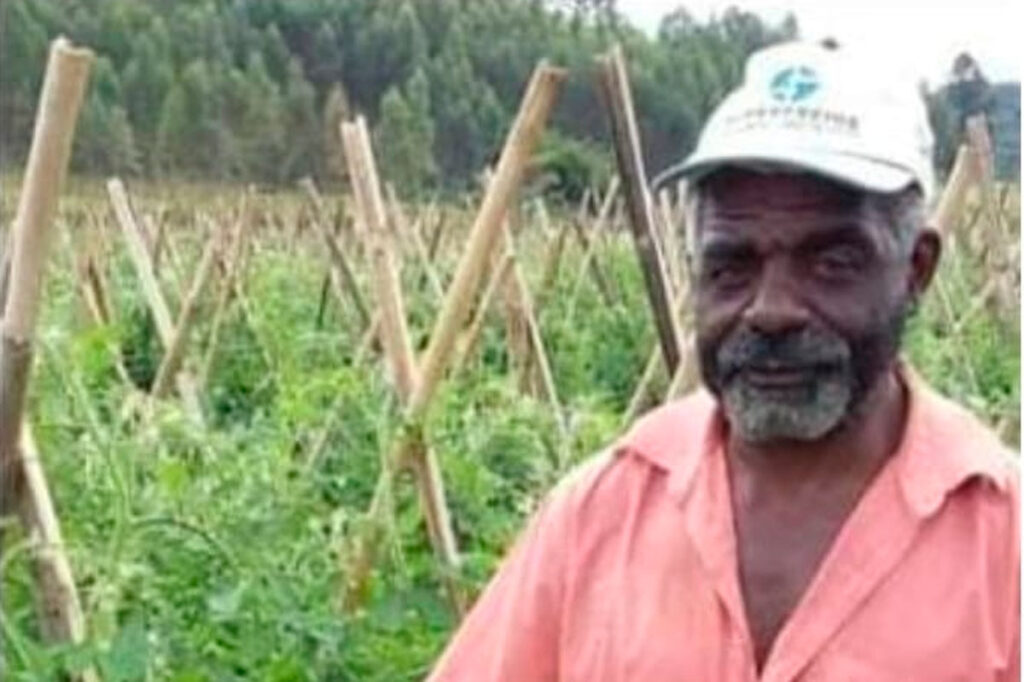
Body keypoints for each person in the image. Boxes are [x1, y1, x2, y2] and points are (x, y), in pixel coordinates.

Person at [427, 40, 1019, 681]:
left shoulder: (1005, 539)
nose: (770, 310)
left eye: (831, 263)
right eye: (732, 266)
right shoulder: (601, 511)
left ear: (915, 270)